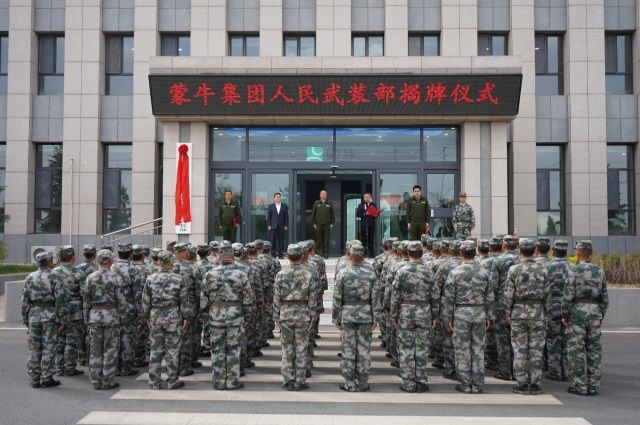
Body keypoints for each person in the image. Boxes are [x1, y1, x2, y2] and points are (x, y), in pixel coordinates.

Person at [201, 242, 254, 390]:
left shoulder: (209, 274)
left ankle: (218, 381)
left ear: (219, 255)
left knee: (217, 349)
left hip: (215, 316)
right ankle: (232, 381)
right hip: (235, 316)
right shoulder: (241, 274)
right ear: (231, 256)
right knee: (233, 349)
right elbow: (248, 298)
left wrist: (206, 317)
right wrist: (248, 316)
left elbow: (203, 299)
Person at [443, 240, 494, 394]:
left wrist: (448, 318)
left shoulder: (455, 272)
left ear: (461, 253)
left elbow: (449, 298)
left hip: (461, 314)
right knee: (478, 349)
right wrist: (489, 317)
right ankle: (477, 384)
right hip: (479, 313)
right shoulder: (484, 272)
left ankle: (465, 384)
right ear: (475, 252)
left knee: (462, 349)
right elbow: (490, 297)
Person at [390, 241, 439, 393]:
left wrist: (394, 314)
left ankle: (408, 382)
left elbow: (395, 295)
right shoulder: (429, 271)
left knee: (406, 347)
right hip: (424, 311)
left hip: (406, 311)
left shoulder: (401, 271)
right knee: (422, 348)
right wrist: (435, 316)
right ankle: (421, 380)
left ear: (409, 253)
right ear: (421, 254)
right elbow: (435, 295)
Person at [503, 238, 549, 395]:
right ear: (534, 250)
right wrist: (546, 313)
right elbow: (548, 295)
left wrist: (507, 313)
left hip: (518, 312)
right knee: (536, 350)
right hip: (537, 312)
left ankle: (522, 383)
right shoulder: (542, 269)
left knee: (520, 349)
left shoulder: (514, 270)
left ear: (519, 251)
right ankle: (535, 383)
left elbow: (508, 294)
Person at [563, 240, 609, 396]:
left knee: (576, 351)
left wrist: (565, 315)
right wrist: (599, 315)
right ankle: (594, 385)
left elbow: (568, 296)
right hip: (594, 313)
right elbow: (605, 299)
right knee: (594, 350)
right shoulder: (600, 271)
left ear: (578, 253)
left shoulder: (574, 270)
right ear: (591, 253)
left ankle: (580, 386)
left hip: (577, 313)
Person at [332, 243, 379, 392]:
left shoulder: (343, 273)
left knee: (348, 350)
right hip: (365, 314)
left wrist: (336, 317)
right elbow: (376, 298)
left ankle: (350, 383)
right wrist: (375, 317)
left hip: (347, 314)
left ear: (349, 255)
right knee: (364, 350)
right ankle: (363, 383)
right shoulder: (371, 273)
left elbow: (337, 298)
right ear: (363, 256)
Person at [273, 244, 318, 391]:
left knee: (287, 349)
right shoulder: (308, 274)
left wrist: (276, 316)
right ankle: (300, 380)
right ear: (301, 256)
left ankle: (288, 379)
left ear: (287, 257)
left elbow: (276, 298)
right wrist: (312, 317)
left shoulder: (281, 274)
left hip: (286, 313)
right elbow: (313, 298)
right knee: (301, 348)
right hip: (303, 313)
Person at [142, 250, 189, 390]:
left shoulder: (150, 279)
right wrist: (185, 317)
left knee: (155, 349)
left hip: (155, 315)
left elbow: (145, 302)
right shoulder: (178, 279)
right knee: (173, 350)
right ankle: (172, 381)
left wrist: (146, 317)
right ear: (171, 262)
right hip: (173, 316)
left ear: (159, 262)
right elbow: (184, 302)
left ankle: (154, 381)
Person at [83, 249, 128, 390]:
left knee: (95, 350)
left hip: (95, 316)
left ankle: (96, 380)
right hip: (112, 317)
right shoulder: (116, 278)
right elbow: (122, 302)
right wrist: (123, 320)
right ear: (111, 261)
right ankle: (107, 380)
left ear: (98, 261)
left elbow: (85, 301)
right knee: (110, 349)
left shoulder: (91, 277)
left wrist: (86, 320)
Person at [22, 251, 63, 388]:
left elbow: (25, 300)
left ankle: (34, 378)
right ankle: (46, 377)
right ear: (50, 262)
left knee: (34, 347)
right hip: (49, 315)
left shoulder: (29, 277)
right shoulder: (55, 276)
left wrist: (25, 317)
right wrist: (63, 318)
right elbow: (60, 299)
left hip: (33, 314)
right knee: (49, 346)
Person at [52, 245, 86, 377]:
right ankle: (69, 367)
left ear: (59, 257)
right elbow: (84, 293)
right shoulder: (79, 273)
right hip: (75, 311)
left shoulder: (53, 272)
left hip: (56, 310)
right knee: (72, 340)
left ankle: (59, 367)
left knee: (59, 340)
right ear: (73, 258)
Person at [110, 243, 141, 377]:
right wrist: (139, 310)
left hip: (113, 307)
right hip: (128, 307)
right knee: (128, 337)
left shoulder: (111, 268)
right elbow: (138, 292)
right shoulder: (133, 269)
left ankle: (114, 366)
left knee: (114, 337)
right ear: (130, 255)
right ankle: (126, 367)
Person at [545, 240, 572, 382]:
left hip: (552, 306)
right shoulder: (572, 267)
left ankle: (555, 371)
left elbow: (544, 289)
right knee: (567, 340)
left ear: (553, 251)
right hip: (568, 307)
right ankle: (566, 371)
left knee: (553, 338)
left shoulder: (547, 267)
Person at [311, 190, 335, 258]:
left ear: (326, 195)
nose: (323, 195)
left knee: (326, 240)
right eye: (322, 194)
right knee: (319, 239)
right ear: (320, 195)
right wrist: (313, 223)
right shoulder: (316, 203)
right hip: (318, 224)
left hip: (327, 225)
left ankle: (326, 254)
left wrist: (332, 223)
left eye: (325, 194)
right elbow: (313, 214)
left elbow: (332, 214)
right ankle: (319, 254)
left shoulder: (329, 203)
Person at [356, 192, 379, 258]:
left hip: (371, 223)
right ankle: (364, 253)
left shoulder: (373, 205)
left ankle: (371, 254)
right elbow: (357, 214)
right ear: (363, 198)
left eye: (368, 197)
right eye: (365, 197)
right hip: (364, 224)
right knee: (364, 239)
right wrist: (365, 214)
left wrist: (375, 214)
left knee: (371, 239)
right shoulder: (361, 205)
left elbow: (376, 214)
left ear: (370, 197)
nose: (366, 198)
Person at [267, 192, 289, 258]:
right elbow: (269, 216)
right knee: (273, 241)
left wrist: (286, 225)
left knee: (281, 241)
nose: (278, 198)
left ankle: (280, 254)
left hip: (282, 226)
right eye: (276, 197)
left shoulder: (284, 206)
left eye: (279, 197)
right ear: (274, 198)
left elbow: (286, 217)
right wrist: (269, 225)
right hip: (273, 226)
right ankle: (273, 254)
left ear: (280, 198)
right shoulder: (271, 206)